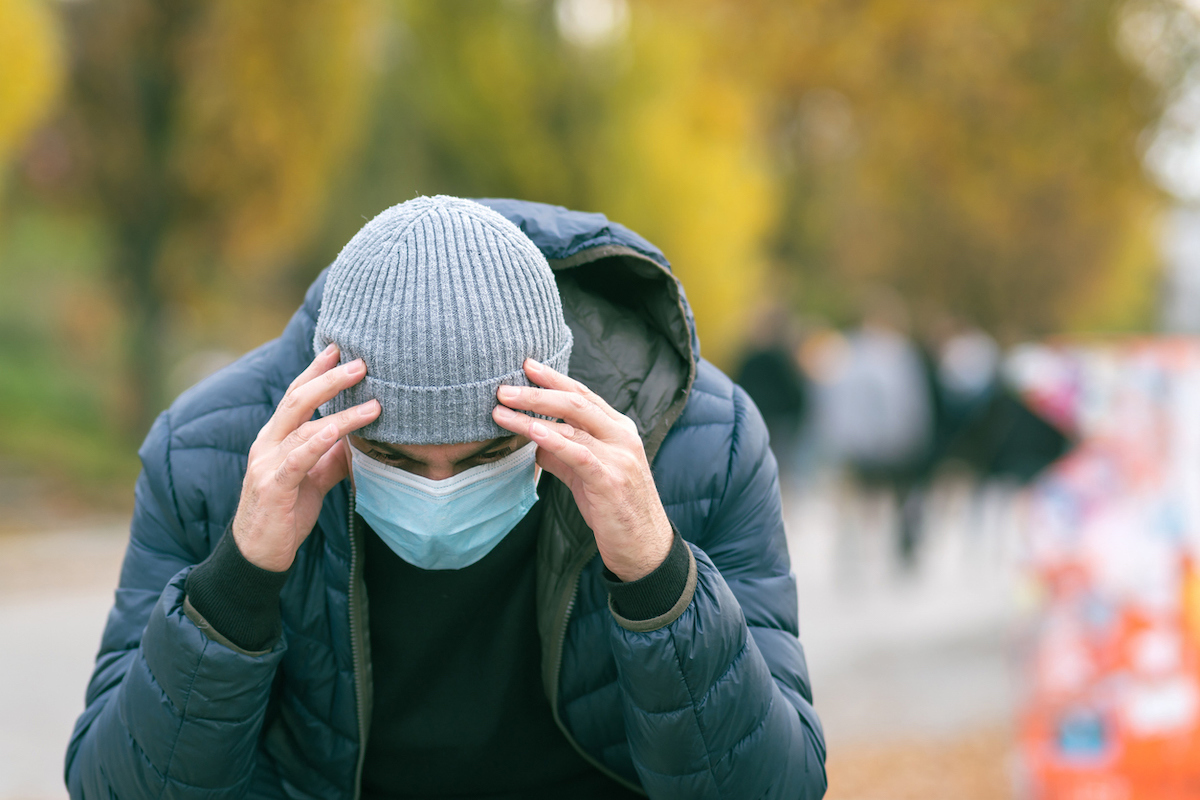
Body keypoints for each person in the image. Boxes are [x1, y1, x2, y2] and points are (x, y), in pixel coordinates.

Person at [65, 196, 827, 799]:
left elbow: (772, 788)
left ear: (553, 404)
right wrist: (238, 580)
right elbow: (118, 787)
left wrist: (659, 575)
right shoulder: (214, 453)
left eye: (491, 453)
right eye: (392, 456)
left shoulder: (699, 439)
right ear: (334, 416)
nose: (440, 490)